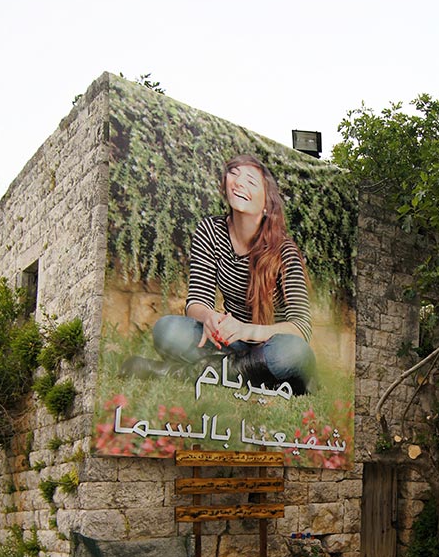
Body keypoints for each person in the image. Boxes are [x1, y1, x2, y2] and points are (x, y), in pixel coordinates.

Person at [127, 153, 316, 394]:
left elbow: (301, 327)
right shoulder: (210, 231)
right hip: (229, 343)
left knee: (294, 352)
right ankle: (249, 373)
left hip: (271, 343)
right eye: (234, 174)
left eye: (251, 181)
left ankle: (188, 372)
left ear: (267, 204)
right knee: (167, 330)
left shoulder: (285, 251)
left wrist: (247, 330)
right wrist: (208, 318)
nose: (239, 183)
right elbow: (196, 301)